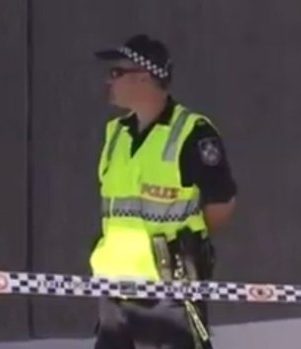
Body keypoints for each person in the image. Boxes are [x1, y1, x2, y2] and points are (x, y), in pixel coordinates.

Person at [89, 34, 237, 349]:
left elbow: (221, 206)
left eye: (117, 73)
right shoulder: (115, 133)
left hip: (169, 297)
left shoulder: (193, 134)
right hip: (115, 292)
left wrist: (183, 245)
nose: (109, 80)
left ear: (144, 77)